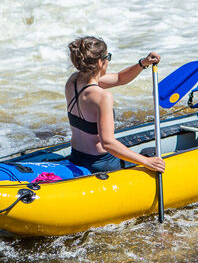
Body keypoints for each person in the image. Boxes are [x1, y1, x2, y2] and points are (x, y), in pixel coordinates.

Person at [65, 36, 166, 174]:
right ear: (101, 63)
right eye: (108, 57)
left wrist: (143, 63)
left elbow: (120, 78)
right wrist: (147, 161)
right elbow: (107, 143)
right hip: (101, 163)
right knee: (150, 153)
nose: (108, 61)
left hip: (76, 156)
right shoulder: (102, 97)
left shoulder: (73, 81)